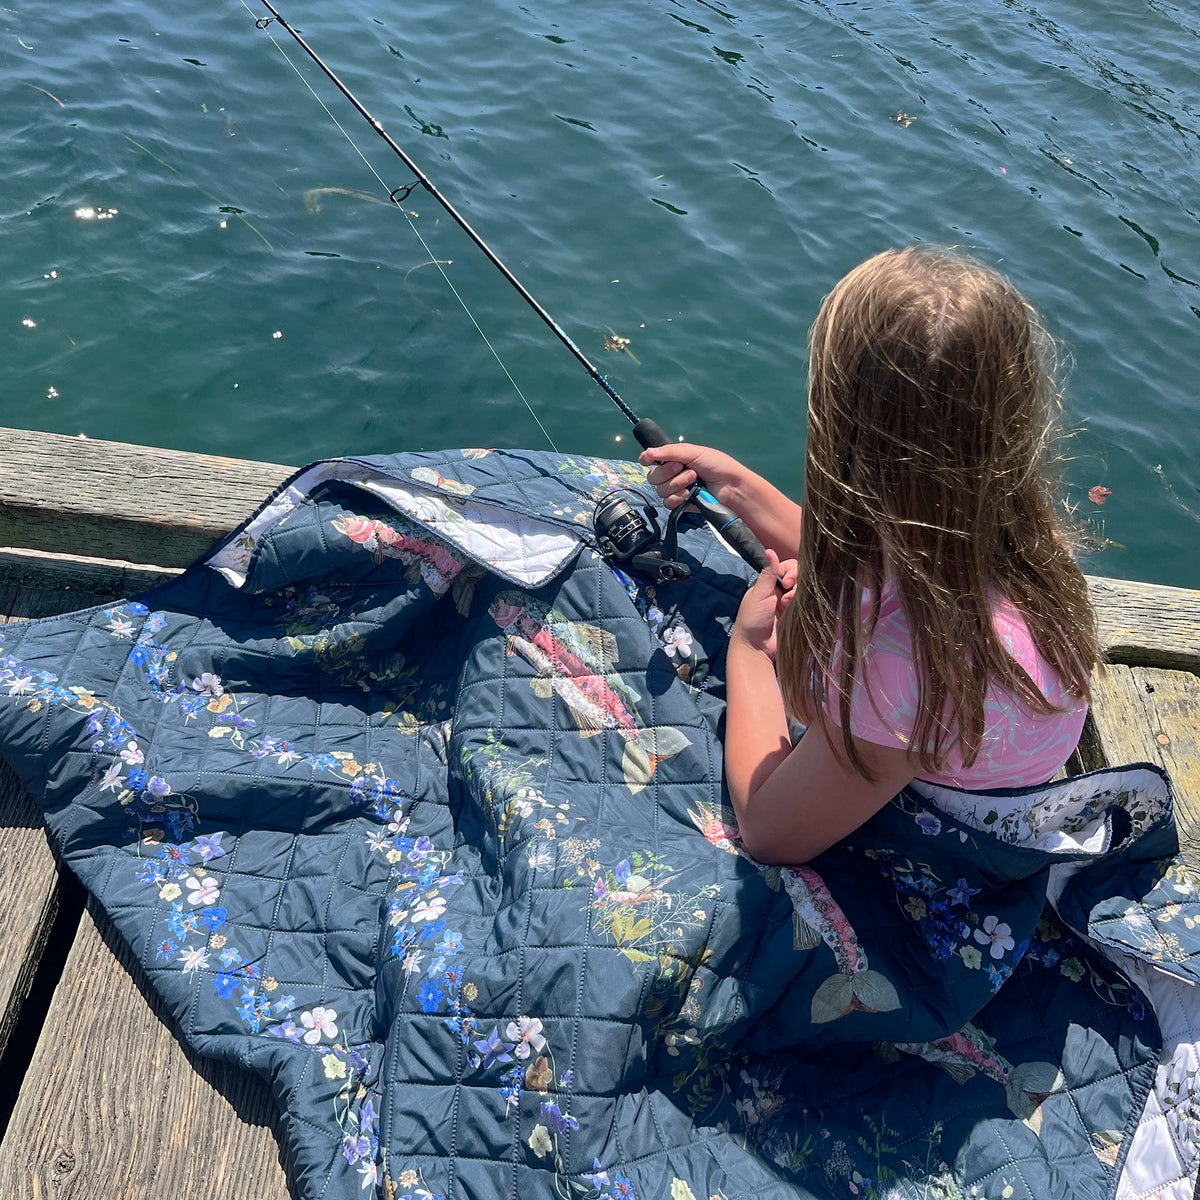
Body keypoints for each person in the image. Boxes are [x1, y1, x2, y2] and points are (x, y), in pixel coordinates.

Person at [640, 246, 1099, 865]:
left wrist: (748, 651)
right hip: (934, 741)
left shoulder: (914, 672)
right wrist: (737, 486)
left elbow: (773, 834)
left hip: (932, 818)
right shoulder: (1018, 544)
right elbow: (867, 553)